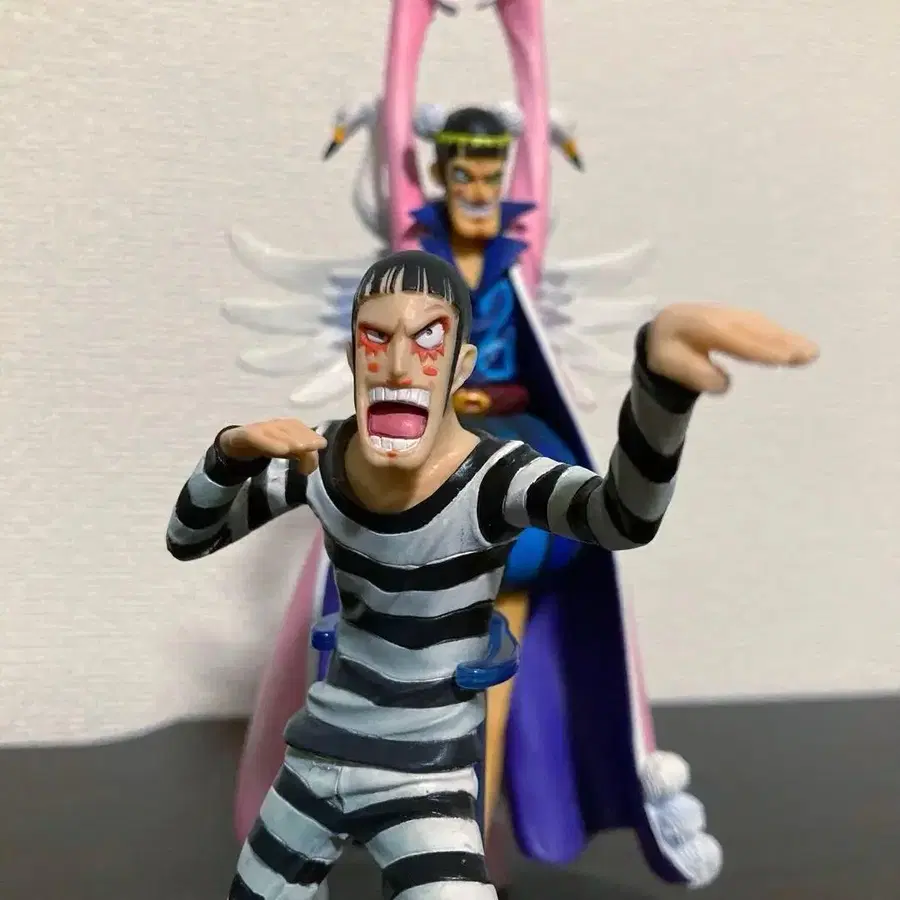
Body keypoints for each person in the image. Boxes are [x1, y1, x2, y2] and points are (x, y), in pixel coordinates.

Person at [168, 249, 818, 900]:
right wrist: (229, 453)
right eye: (376, 338)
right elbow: (189, 537)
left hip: (424, 781)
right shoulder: (320, 458)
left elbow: (620, 518)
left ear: (462, 366)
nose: (398, 364)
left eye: (427, 340)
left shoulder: (495, 478)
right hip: (315, 762)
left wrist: (660, 388)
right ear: (352, 357)